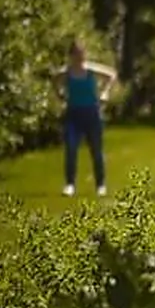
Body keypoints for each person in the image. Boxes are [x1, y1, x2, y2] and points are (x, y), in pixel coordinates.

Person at [54, 41, 115, 197]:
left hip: (91, 113)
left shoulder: (90, 70)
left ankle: (100, 185)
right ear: (71, 55)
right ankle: (70, 185)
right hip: (73, 113)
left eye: (81, 53)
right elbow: (55, 79)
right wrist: (60, 95)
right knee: (71, 149)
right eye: (76, 54)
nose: (79, 57)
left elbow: (111, 75)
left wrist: (104, 92)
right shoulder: (67, 73)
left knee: (96, 150)